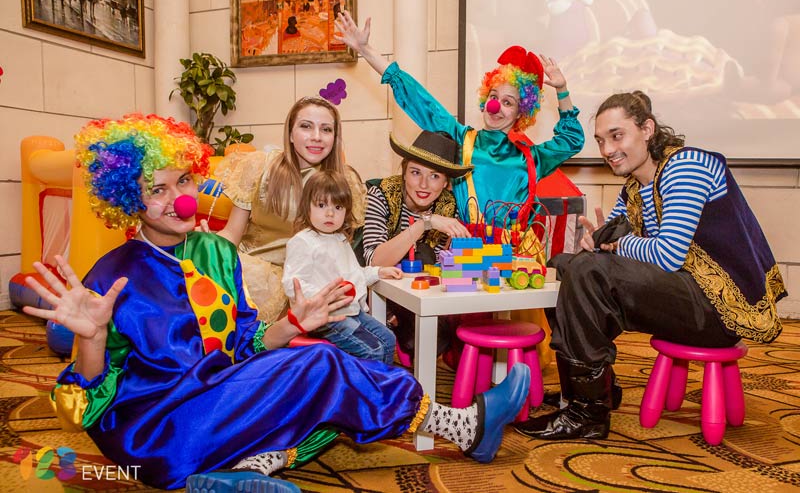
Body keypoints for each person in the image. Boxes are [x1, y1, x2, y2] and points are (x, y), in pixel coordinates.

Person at [22, 114, 532, 491]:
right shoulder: (112, 274)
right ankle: (463, 426)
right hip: (158, 429)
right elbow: (81, 408)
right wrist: (92, 338)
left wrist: (293, 323)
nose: (179, 198)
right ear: (128, 200)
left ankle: (242, 470)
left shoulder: (217, 253)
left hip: (222, 399)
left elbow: (247, 346)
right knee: (322, 369)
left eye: (185, 181)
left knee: (323, 374)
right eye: (157, 189)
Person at [515, 91, 787, 440]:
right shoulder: (635, 187)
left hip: (720, 309)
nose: (608, 149)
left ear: (647, 129)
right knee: (565, 265)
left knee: (588, 269)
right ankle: (591, 390)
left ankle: (588, 415)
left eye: (617, 136)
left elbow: (667, 254)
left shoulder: (687, 166)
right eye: (601, 140)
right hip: (685, 293)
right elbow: (610, 244)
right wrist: (597, 243)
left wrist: (611, 244)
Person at [334, 10, 584, 234]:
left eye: (508, 102)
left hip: (513, 256)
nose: (496, 106)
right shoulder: (463, 139)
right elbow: (418, 98)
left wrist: (562, 90)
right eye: (493, 97)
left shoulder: (530, 158)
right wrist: (366, 50)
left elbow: (572, 140)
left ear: (521, 112)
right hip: (465, 250)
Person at [212, 96, 366, 323]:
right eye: (306, 126)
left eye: (326, 129)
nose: (316, 136)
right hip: (254, 275)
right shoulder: (260, 167)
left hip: (311, 281)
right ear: (291, 134)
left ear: (335, 137)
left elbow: (340, 249)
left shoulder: (344, 181)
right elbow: (232, 233)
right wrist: (206, 246)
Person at [362, 130, 473, 362]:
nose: (423, 184)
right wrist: (424, 224)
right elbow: (374, 261)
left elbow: (438, 267)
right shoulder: (382, 194)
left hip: (418, 296)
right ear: (404, 172)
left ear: (445, 182)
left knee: (425, 256)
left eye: (434, 176)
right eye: (415, 172)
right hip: (373, 291)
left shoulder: (448, 206)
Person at [283, 170, 401, 364]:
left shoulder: (340, 239)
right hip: (323, 317)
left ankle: (383, 381)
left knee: (388, 339)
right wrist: (325, 296)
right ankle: (364, 383)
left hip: (350, 310)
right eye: (322, 205)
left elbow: (354, 273)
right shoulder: (303, 241)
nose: (330, 213)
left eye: (337, 207)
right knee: (373, 350)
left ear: (346, 211)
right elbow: (292, 283)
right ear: (307, 207)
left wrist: (378, 271)